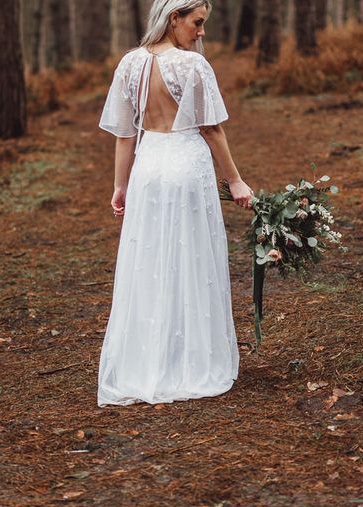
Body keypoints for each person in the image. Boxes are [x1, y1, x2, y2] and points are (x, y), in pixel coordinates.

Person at [97, 0, 253, 407]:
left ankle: (149, 360)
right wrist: (235, 180)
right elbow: (212, 130)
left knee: (149, 262)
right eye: (197, 23)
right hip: (185, 169)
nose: (201, 32)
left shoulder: (129, 64)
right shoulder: (192, 66)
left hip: (148, 169)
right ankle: (189, 359)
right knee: (192, 258)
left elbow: (125, 134)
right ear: (174, 19)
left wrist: (121, 185)